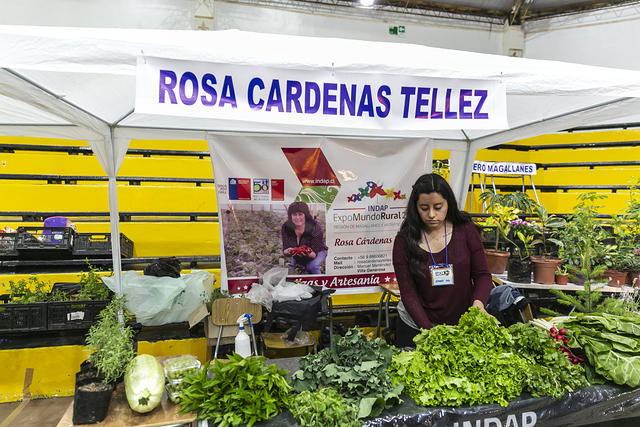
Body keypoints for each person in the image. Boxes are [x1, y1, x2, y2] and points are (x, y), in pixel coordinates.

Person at [392, 173, 492, 348]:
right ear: (415, 207)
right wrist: (430, 333)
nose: (431, 214)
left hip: (462, 324)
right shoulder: (404, 241)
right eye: (424, 208)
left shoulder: (466, 230)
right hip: (417, 327)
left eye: (438, 207)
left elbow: (483, 274)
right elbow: (408, 293)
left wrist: (478, 305)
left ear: (449, 204)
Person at [282, 201, 328, 274]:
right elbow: (285, 249)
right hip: (298, 254)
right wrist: (289, 251)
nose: (297, 217)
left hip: (318, 251)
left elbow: (313, 254)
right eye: (294, 214)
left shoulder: (315, 226)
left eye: (300, 214)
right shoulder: (286, 227)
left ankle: (319, 283)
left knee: (312, 266)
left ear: (305, 215)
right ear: (290, 216)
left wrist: (306, 252)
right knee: (292, 271)